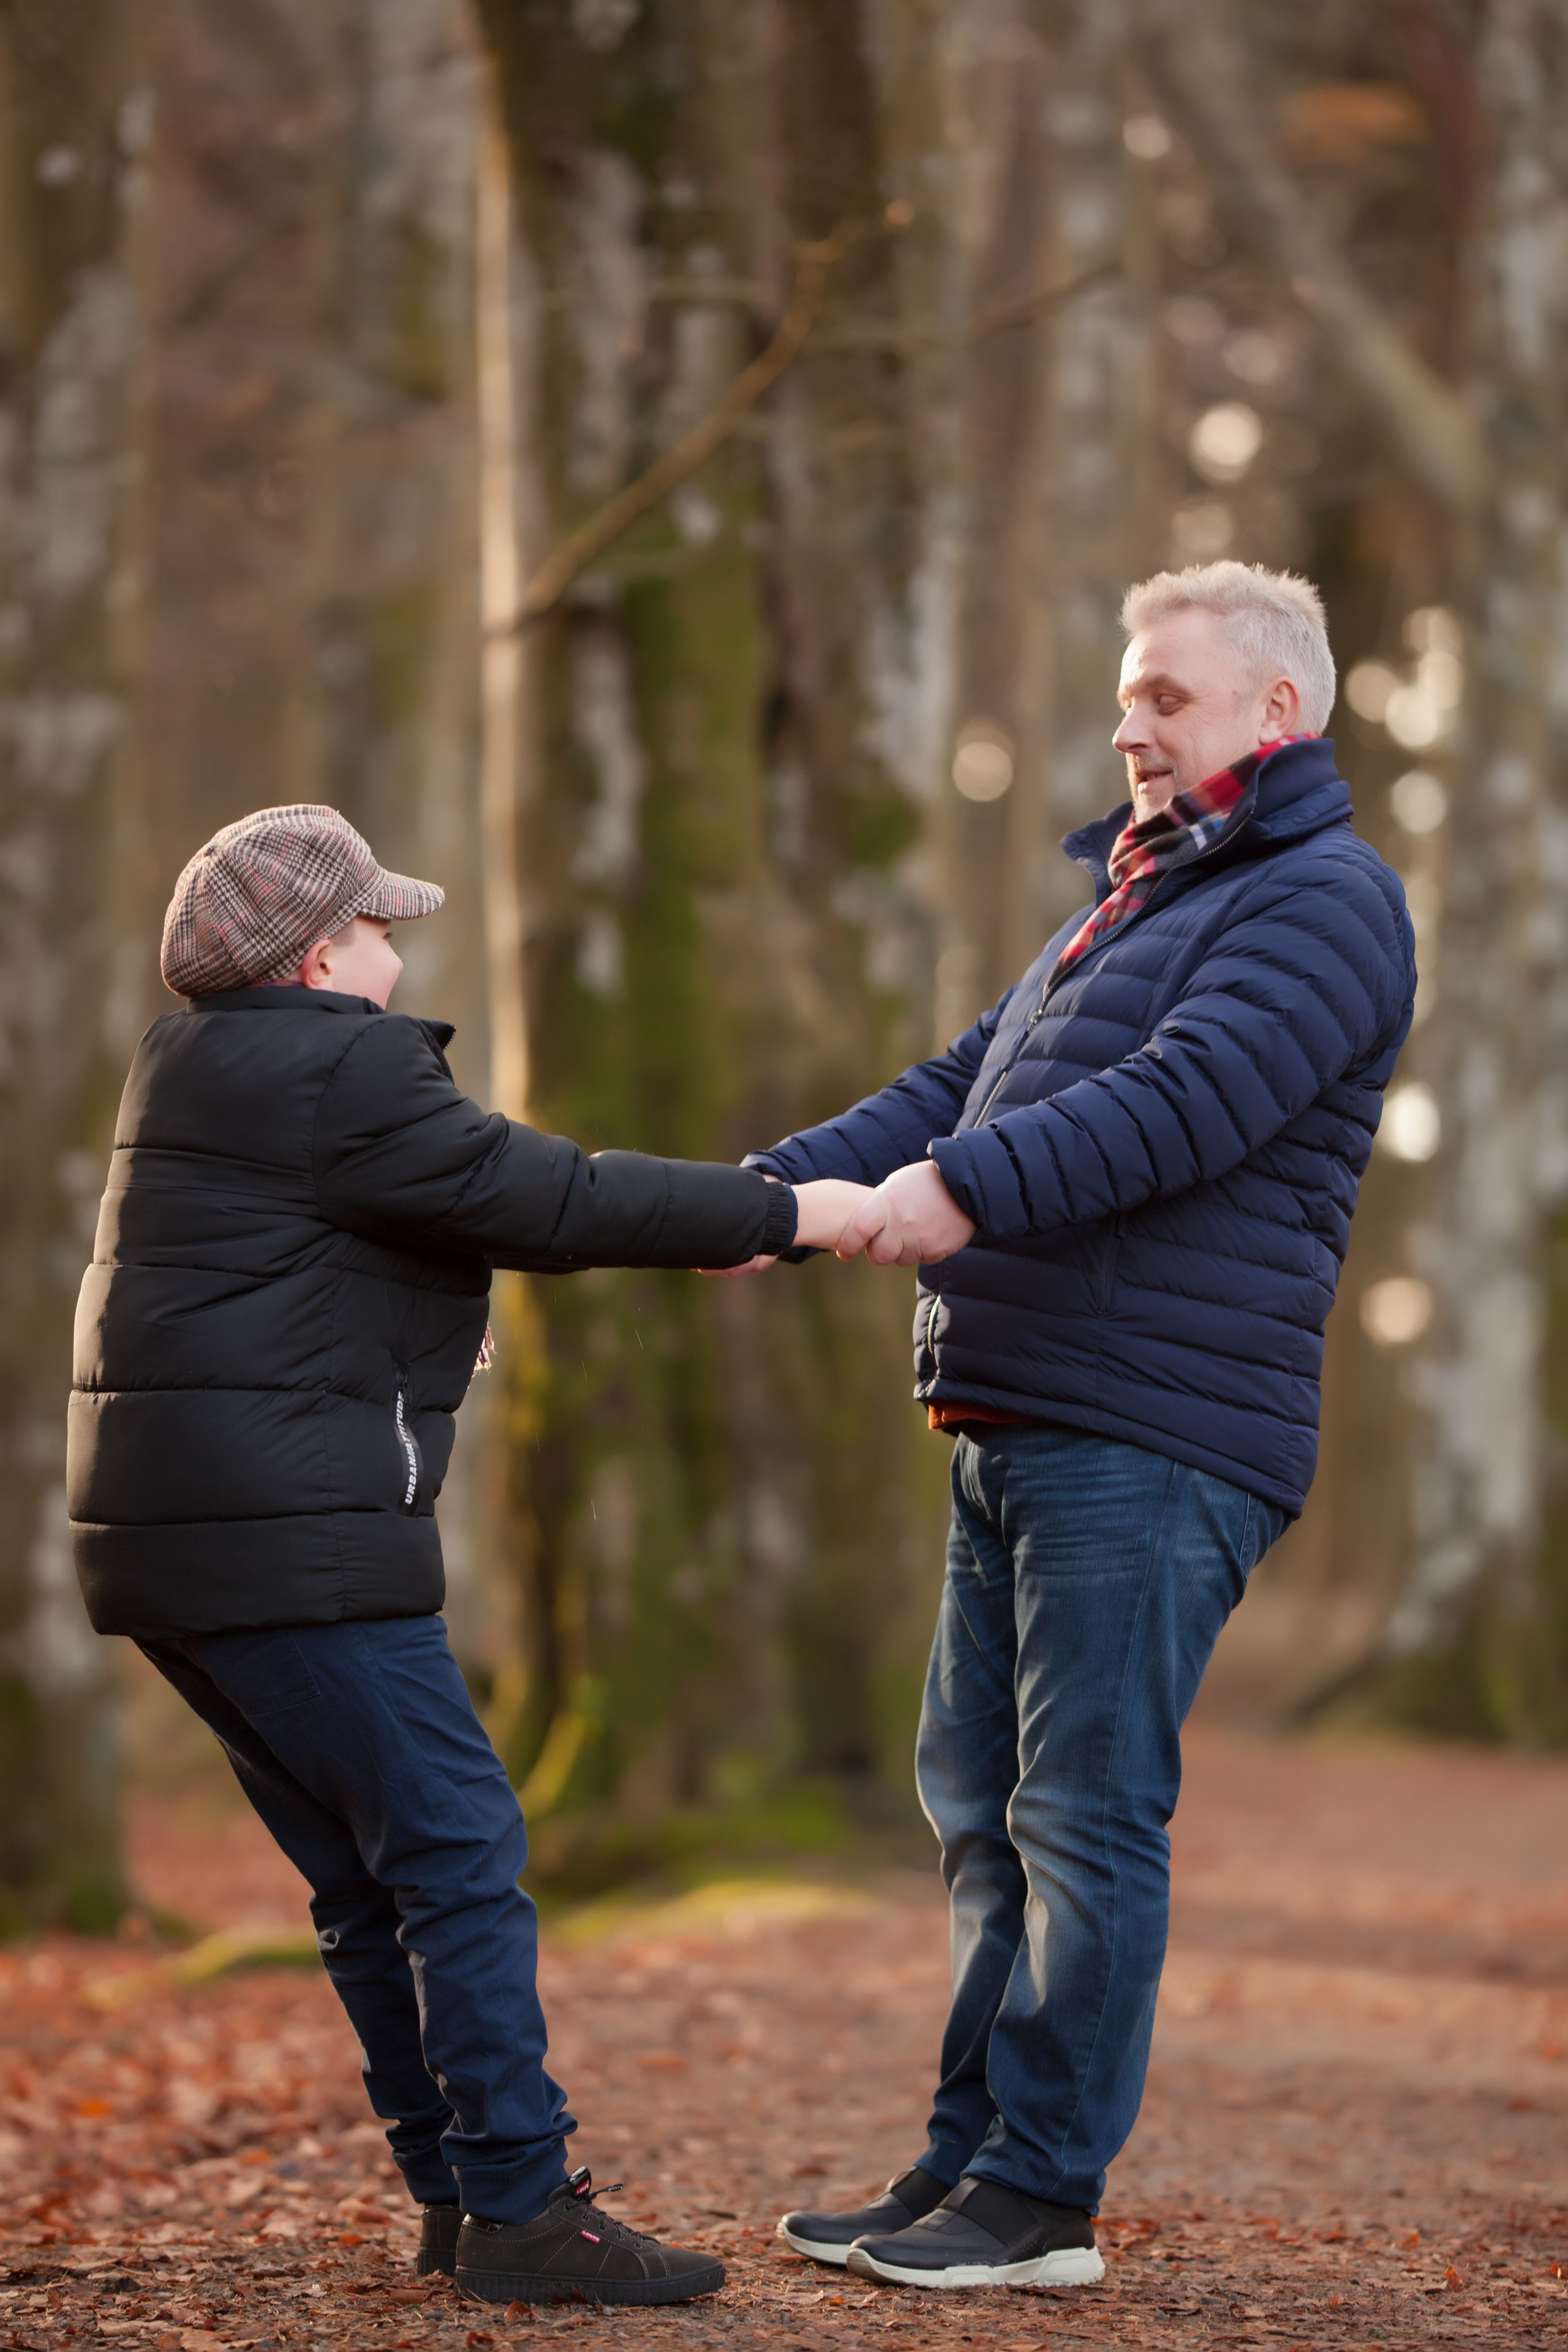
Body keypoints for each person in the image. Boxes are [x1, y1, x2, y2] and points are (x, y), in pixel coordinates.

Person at [67, 804, 872, 2309]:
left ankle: (458, 2195)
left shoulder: (191, 1066)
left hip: (177, 1552)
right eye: (379, 928)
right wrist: (786, 1212)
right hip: (292, 1541)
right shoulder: (339, 1064)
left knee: (372, 1880)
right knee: (457, 1852)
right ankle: (519, 2207)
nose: (394, 951)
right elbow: (545, 1195)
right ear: (318, 956)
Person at [744, 562, 1416, 2290]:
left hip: (1160, 1426)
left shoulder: (1329, 901)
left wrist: (949, 1195)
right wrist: (745, 1201)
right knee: (978, 1804)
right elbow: (949, 1087)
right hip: (1023, 1406)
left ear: (1279, 712)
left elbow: (1177, 1108)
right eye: (1128, 695)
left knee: (1084, 1813)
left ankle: (1043, 2199)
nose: (1129, 725)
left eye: (1166, 698)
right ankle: (966, 2164)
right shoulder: (1119, 904)